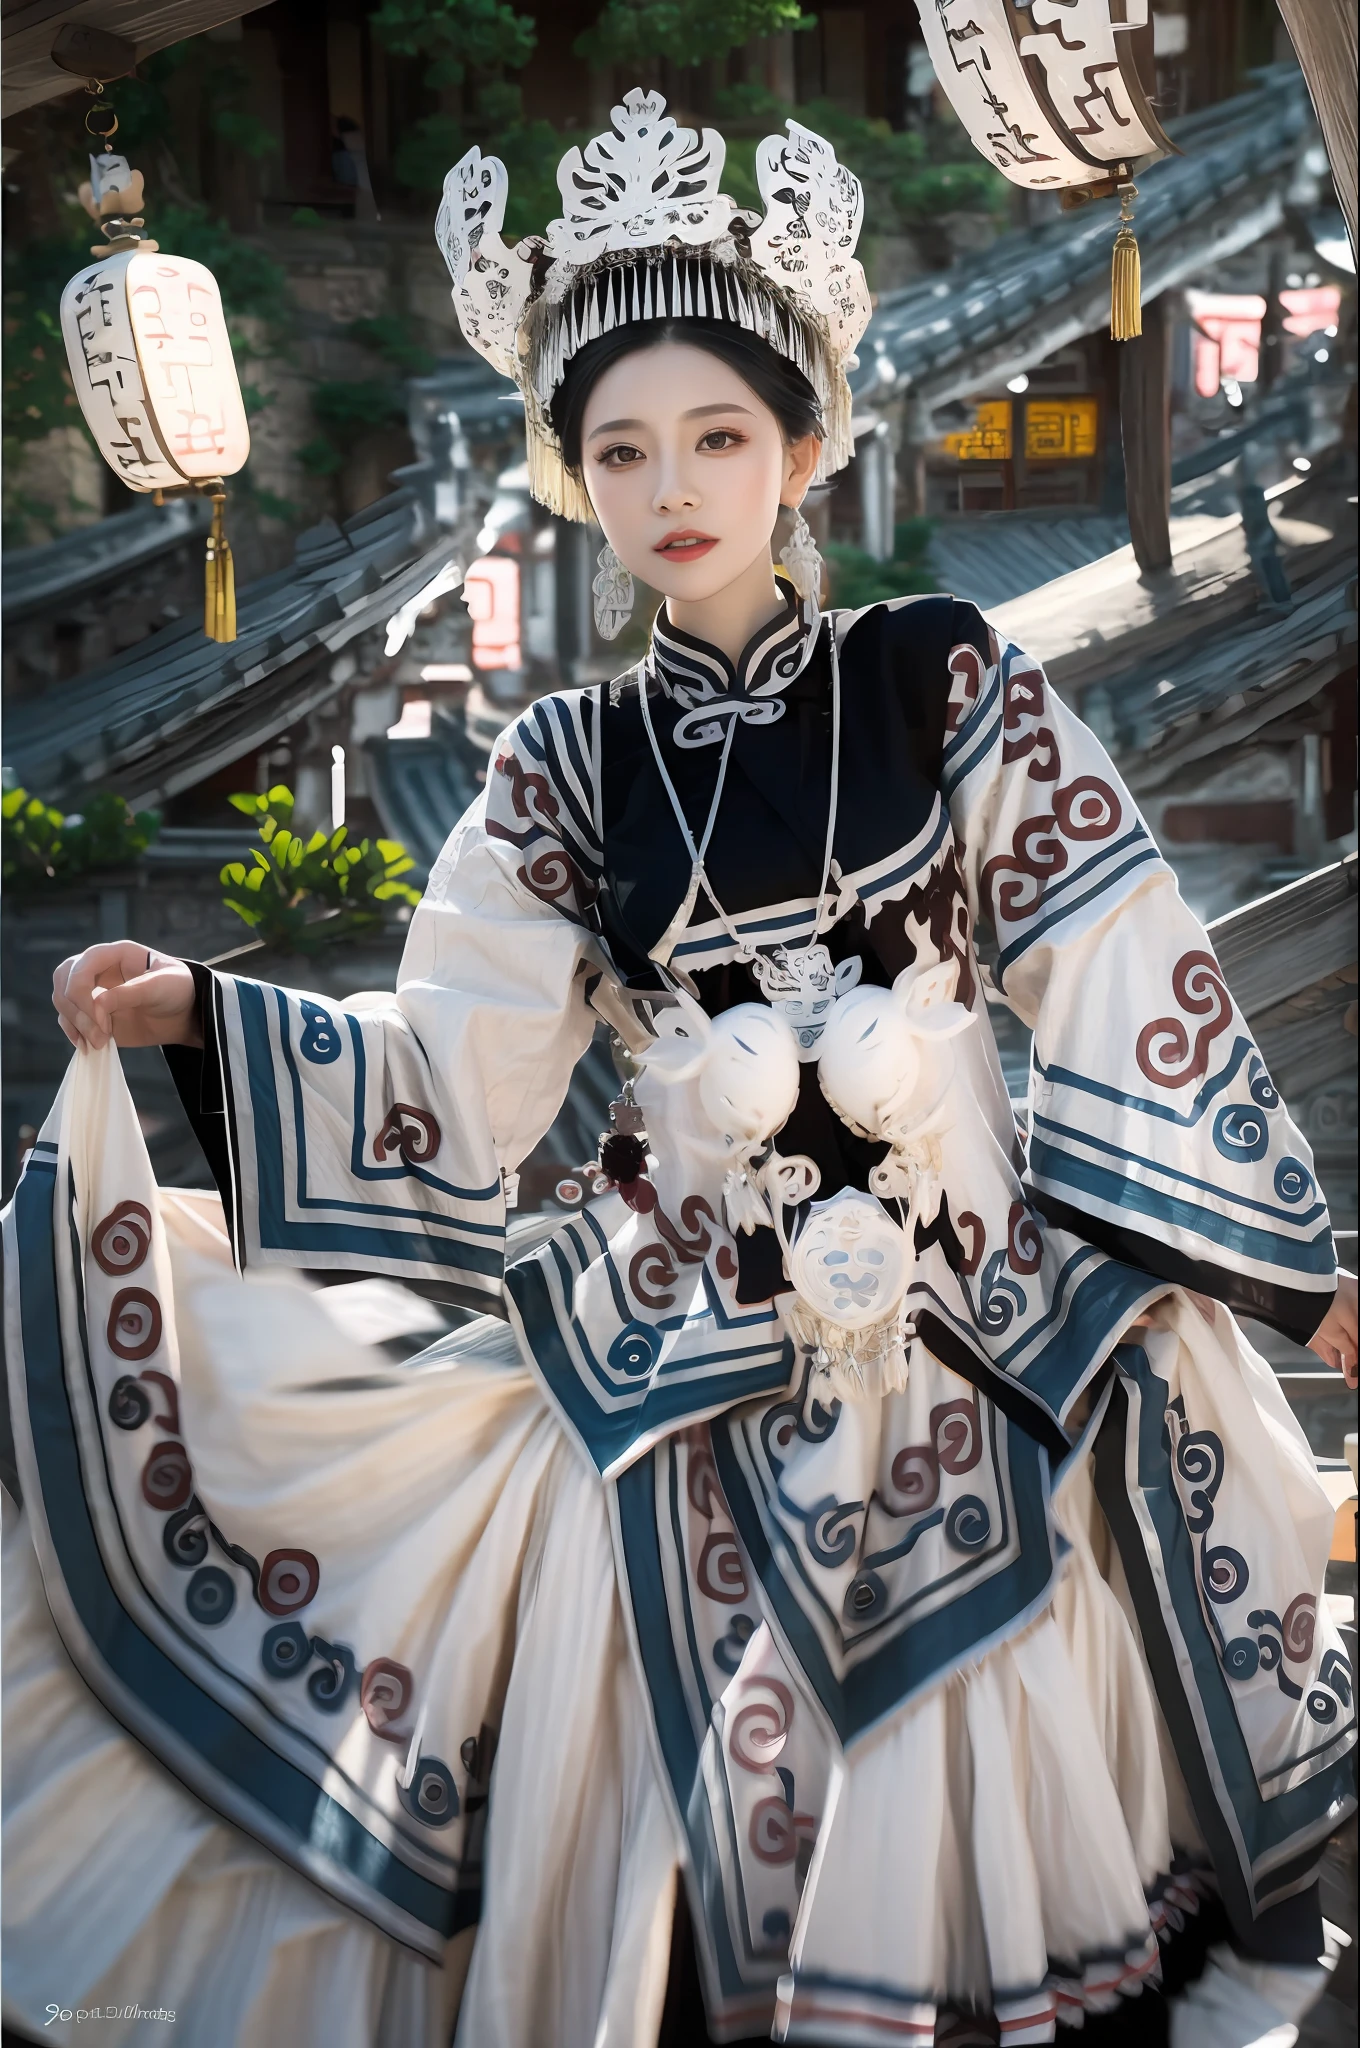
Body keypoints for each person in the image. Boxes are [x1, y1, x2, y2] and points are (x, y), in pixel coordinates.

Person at [5, 91, 1356, 2048]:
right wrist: (208, 1015)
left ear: (803, 446)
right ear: (571, 481)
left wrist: (1289, 1276)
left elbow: (1114, 965)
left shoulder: (946, 676)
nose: (672, 486)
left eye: (717, 435)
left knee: (980, 1785)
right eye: (618, 449)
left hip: (969, 1339)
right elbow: (453, 1072)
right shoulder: (558, 766)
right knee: (660, 1793)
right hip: (673, 1352)